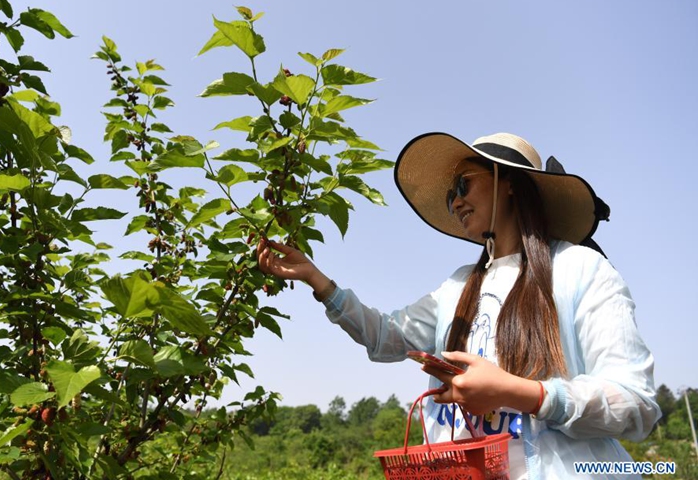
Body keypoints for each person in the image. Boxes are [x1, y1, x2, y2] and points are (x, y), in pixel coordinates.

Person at [257, 132, 661, 479]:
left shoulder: (578, 269)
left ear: (508, 182)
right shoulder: (458, 286)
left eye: (463, 185)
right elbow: (386, 338)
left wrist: (524, 394)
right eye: (452, 195)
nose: (455, 202)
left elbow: (635, 403)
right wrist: (317, 280)